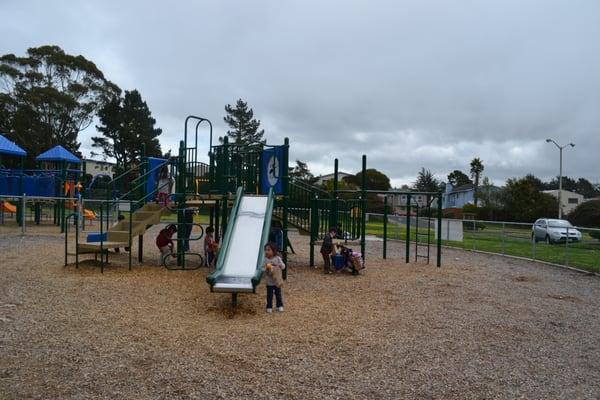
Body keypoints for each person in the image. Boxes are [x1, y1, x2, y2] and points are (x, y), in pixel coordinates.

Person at [263, 242, 285, 313]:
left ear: (273, 251)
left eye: (268, 250)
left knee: (278, 294)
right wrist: (266, 268)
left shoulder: (278, 258)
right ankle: (269, 306)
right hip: (269, 281)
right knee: (269, 295)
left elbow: (283, 266)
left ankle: (279, 305)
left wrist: (281, 265)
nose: (266, 251)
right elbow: (263, 269)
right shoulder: (265, 260)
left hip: (276, 281)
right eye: (265, 250)